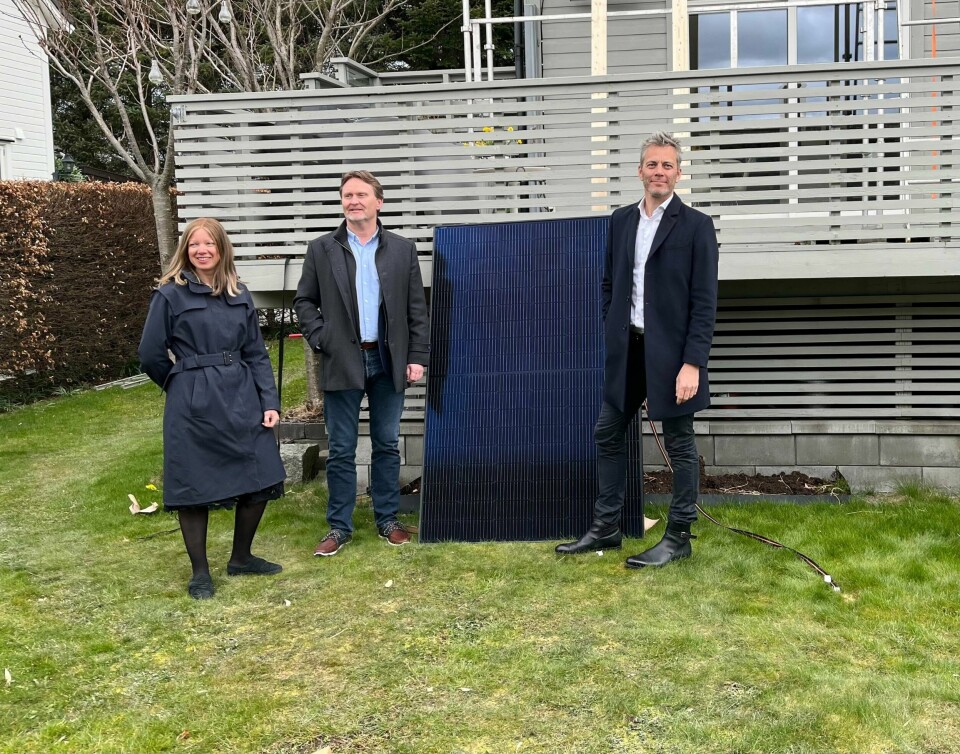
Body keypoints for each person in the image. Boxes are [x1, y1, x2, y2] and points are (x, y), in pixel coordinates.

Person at [556, 131, 719, 567]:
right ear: (639, 171)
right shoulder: (621, 220)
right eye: (652, 164)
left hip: (673, 356)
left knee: (680, 445)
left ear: (678, 173)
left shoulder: (697, 226)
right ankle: (607, 527)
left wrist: (693, 363)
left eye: (667, 165)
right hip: (627, 349)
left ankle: (678, 536)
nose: (659, 172)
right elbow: (610, 282)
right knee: (608, 433)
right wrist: (612, 327)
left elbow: (705, 302)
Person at [139, 218, 286, 599]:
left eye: (209, 244)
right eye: (194, 244)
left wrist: (269, 401)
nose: (201, 250)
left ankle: (241, 558)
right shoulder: (170, 295)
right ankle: (200, 573)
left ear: (222, 249)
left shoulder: (239, 293)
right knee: (194, 483)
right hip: (193, 401)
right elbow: (150, 354)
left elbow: (255, 352)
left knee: (263, 472)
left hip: (242, 396)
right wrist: (181, 383)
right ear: (185, 250)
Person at [294, 170, 429, 556]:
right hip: (342, 359)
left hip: (388, 360)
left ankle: (388, 519)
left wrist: (417, 356)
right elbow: (304, 301)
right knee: (341, 448)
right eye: (347, 195)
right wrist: (322, 338)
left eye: (361, 194)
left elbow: (416, 309)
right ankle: (339, 526)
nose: (353, 201)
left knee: (386, 443)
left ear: (378, 201)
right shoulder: (322, 249)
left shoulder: (402, 250)